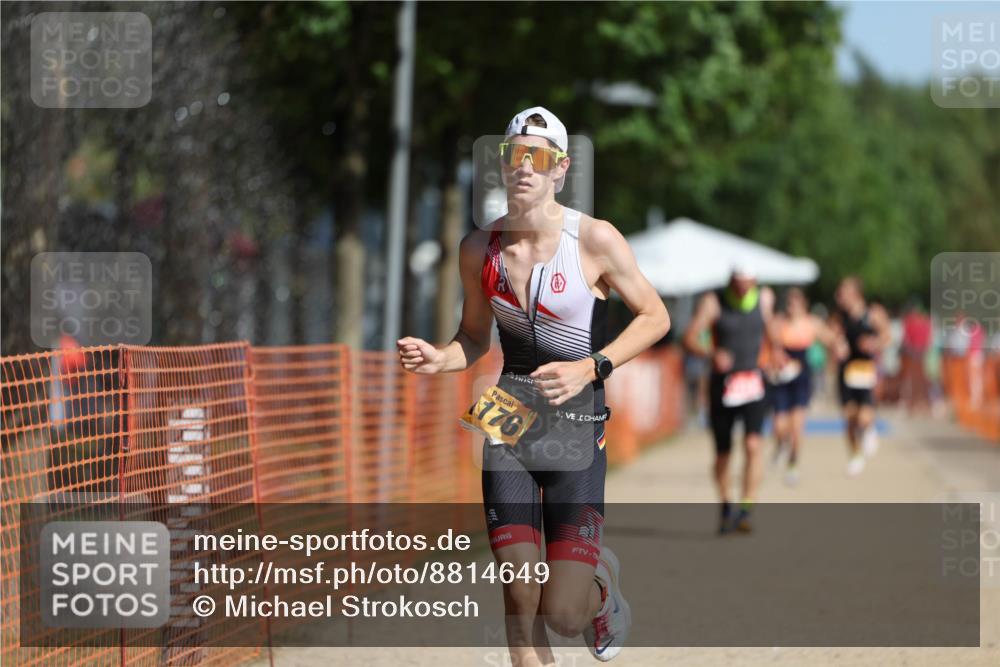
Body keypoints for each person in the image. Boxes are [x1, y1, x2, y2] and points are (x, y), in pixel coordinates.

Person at [397, 106, 669, 664]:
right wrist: (438, 358)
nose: (524, 166)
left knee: (562, 615)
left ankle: (599, 592)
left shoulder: (594, 240)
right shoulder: (479, 250)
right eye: (514, 155)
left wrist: (591, 367)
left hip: (577, 423)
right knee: (518, 600)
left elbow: (655, 317)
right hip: (507, 417)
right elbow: (472, 338)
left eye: (538, 158)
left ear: (559, 171)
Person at [683, 267, 776, 534]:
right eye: (739, 281)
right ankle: (726, 503)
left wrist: (776, 354)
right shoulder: (714, 302)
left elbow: (772, 332)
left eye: (749, 281)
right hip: (723, 386)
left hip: (754, 382)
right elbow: (689, 338)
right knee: (723, 453)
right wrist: (712, 353)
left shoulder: (765, 298)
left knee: (753, 444)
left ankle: (746, 508)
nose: (745, 286)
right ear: (733, 279)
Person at [767, 288, 840, 486]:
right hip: (782, 379)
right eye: (789, 303)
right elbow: (768, 341)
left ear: (803, 304)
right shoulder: (779, 323)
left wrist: (838, 349)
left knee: (797, 427)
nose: (792, 307)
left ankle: (793, 465)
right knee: (780, 426)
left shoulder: (811, 323)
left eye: (796, 303)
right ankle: (781, 445)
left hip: (802, 379)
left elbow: (832, 340)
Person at [832, 276, 891, 476]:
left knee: (864, 417)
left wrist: (874, 343)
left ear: (856, 294)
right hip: (846, 371)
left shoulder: (872, 313)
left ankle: (869, 430)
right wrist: (836, 345)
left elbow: (887, 336)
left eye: (843, 294)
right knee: (849, 417)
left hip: (865, 370)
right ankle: (855, 454)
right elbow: (831, 337)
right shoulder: (839, 317)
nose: (839, 298)